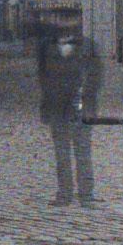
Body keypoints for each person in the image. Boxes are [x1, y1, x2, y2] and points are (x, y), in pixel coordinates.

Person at [39, 11, 102, 207]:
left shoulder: (89, 47)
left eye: (71, 20)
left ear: (78, 23)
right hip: (57, 107)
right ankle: (64, 194)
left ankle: (86, 195)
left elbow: (96, 77)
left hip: (81, 108)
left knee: (83, 152)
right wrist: (46, 105)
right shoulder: (46, 47)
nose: (66, 24)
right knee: (61, 153)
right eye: (62, 19)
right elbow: (43, 77)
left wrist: (86, 100)